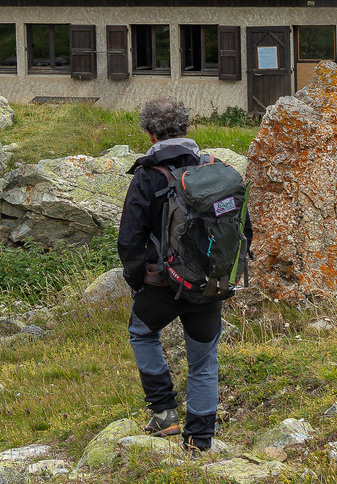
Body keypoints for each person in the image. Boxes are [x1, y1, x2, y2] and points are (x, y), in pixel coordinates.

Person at [116, 96, 250, 453]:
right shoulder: (214, 170)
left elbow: (129, 240)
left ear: (149, 134)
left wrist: (137, 282)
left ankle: (163, 414)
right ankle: (200, 441)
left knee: (142, 334)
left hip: (161, 283)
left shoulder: (146, 176)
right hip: (209, 283)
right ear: (188, 128)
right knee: (204, 360)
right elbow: (243, 229)